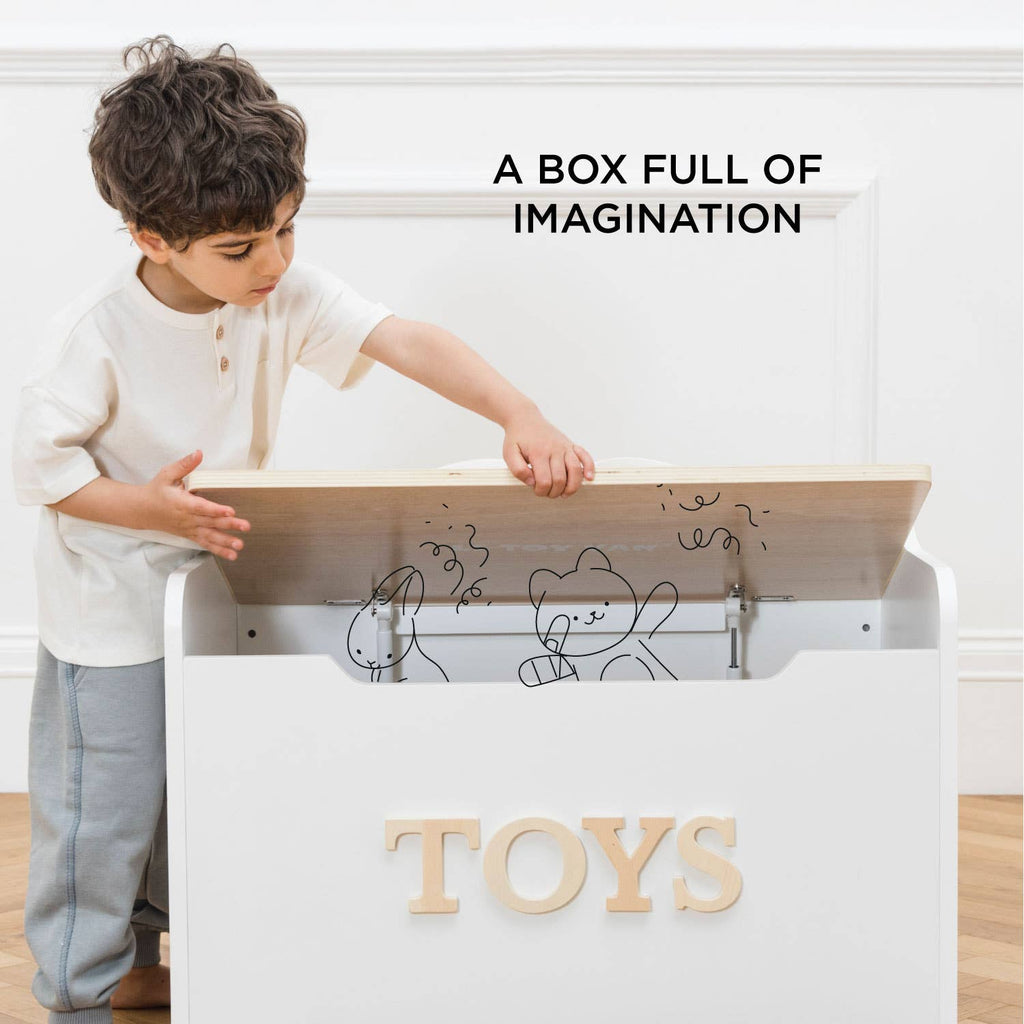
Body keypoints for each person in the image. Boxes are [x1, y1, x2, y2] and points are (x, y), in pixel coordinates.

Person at [12, 35, 595, 1023]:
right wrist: (143, 506)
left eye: (287, 229)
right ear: (150, 237)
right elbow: (41, 469)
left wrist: (517, 413)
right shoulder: (96, 336)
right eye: (241, 248)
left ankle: (142, 955)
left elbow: (404, 338)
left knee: (191, 781)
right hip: (108, 615)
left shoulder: (278, 292)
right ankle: (75, 992)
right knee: (102, 810)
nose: (274, 262)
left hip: (210, 590)